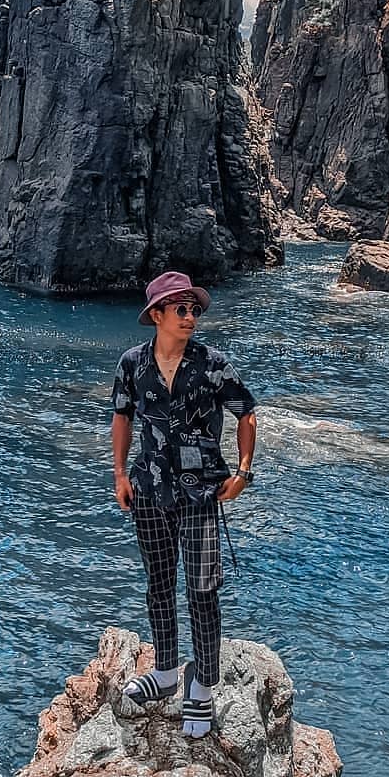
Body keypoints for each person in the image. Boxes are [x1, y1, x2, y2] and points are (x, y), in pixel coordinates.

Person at [110, 270, 257, 738]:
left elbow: (246, 412)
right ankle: (167, 671)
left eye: (194, 309)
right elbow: (122, 416)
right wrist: (118, 475)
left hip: (199, 494)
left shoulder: (212, 363)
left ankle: (203, 684)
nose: (190, 316)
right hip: (149, 490)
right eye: (181, 309)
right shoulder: (132, 363)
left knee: (201, 589)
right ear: (156, 315)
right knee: (158, 583)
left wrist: (242, 473)